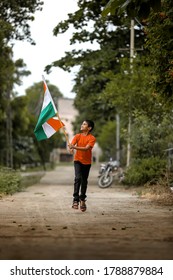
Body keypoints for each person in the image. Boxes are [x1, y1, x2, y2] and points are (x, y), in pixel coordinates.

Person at [68, 120, 96, 212]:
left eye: (84, 124)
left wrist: (74, 147)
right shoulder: (77, 136)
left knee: (84, 181)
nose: (82, 125)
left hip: (87, 163)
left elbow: (86, 148)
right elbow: (72, 145)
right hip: (78, 161)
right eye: (82, 123)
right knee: (77, 178)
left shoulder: (92, 138)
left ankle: (82, 199)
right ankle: (75, 199)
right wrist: (71, 149)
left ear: (89, 128)